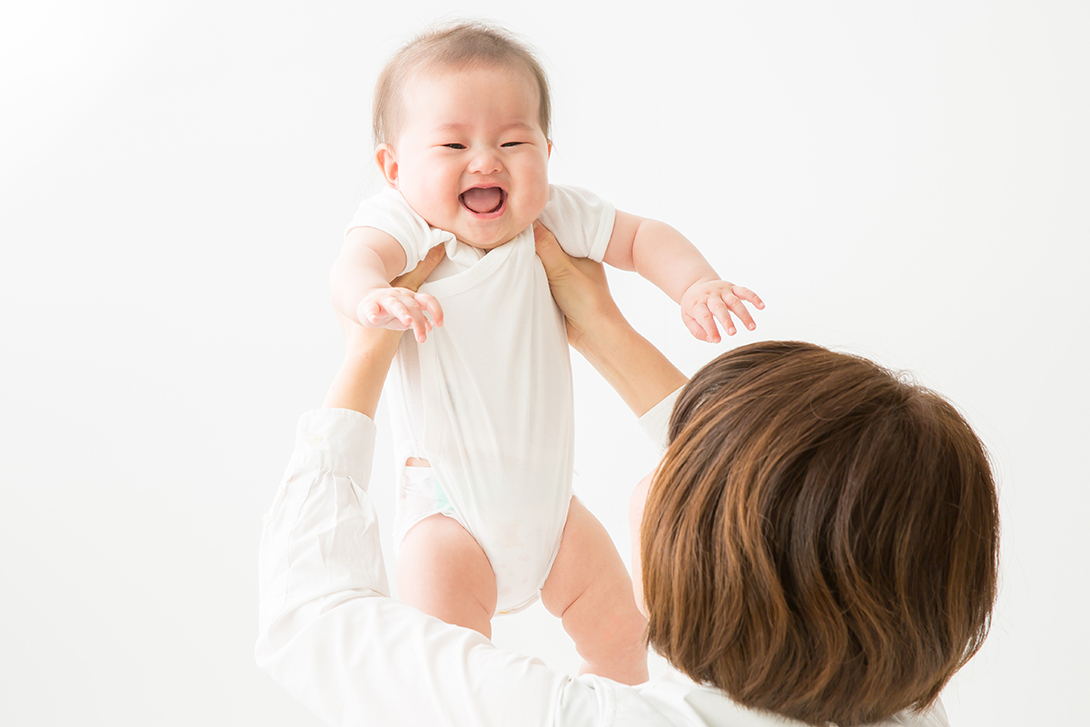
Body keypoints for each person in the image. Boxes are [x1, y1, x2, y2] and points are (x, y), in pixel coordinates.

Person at [256, 226, 999, 727]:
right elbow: (797, 500)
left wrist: (365, 355)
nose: (656, 469)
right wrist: (605, 330)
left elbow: (311, 618)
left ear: (710, 562)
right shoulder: (906, 705)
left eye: (675, 471)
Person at [327, 21, 763, 683]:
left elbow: (642, 237)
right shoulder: (406, 225)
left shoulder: (552, 217)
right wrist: (370, 300)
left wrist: (694, 283)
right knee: (452, 680)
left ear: (547, 152)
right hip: (449, 514)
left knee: (626, 646)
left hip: (553, 511)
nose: (486, 161)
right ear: (395, 167)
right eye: (453, 143)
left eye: (513, 141)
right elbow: (355, 262)